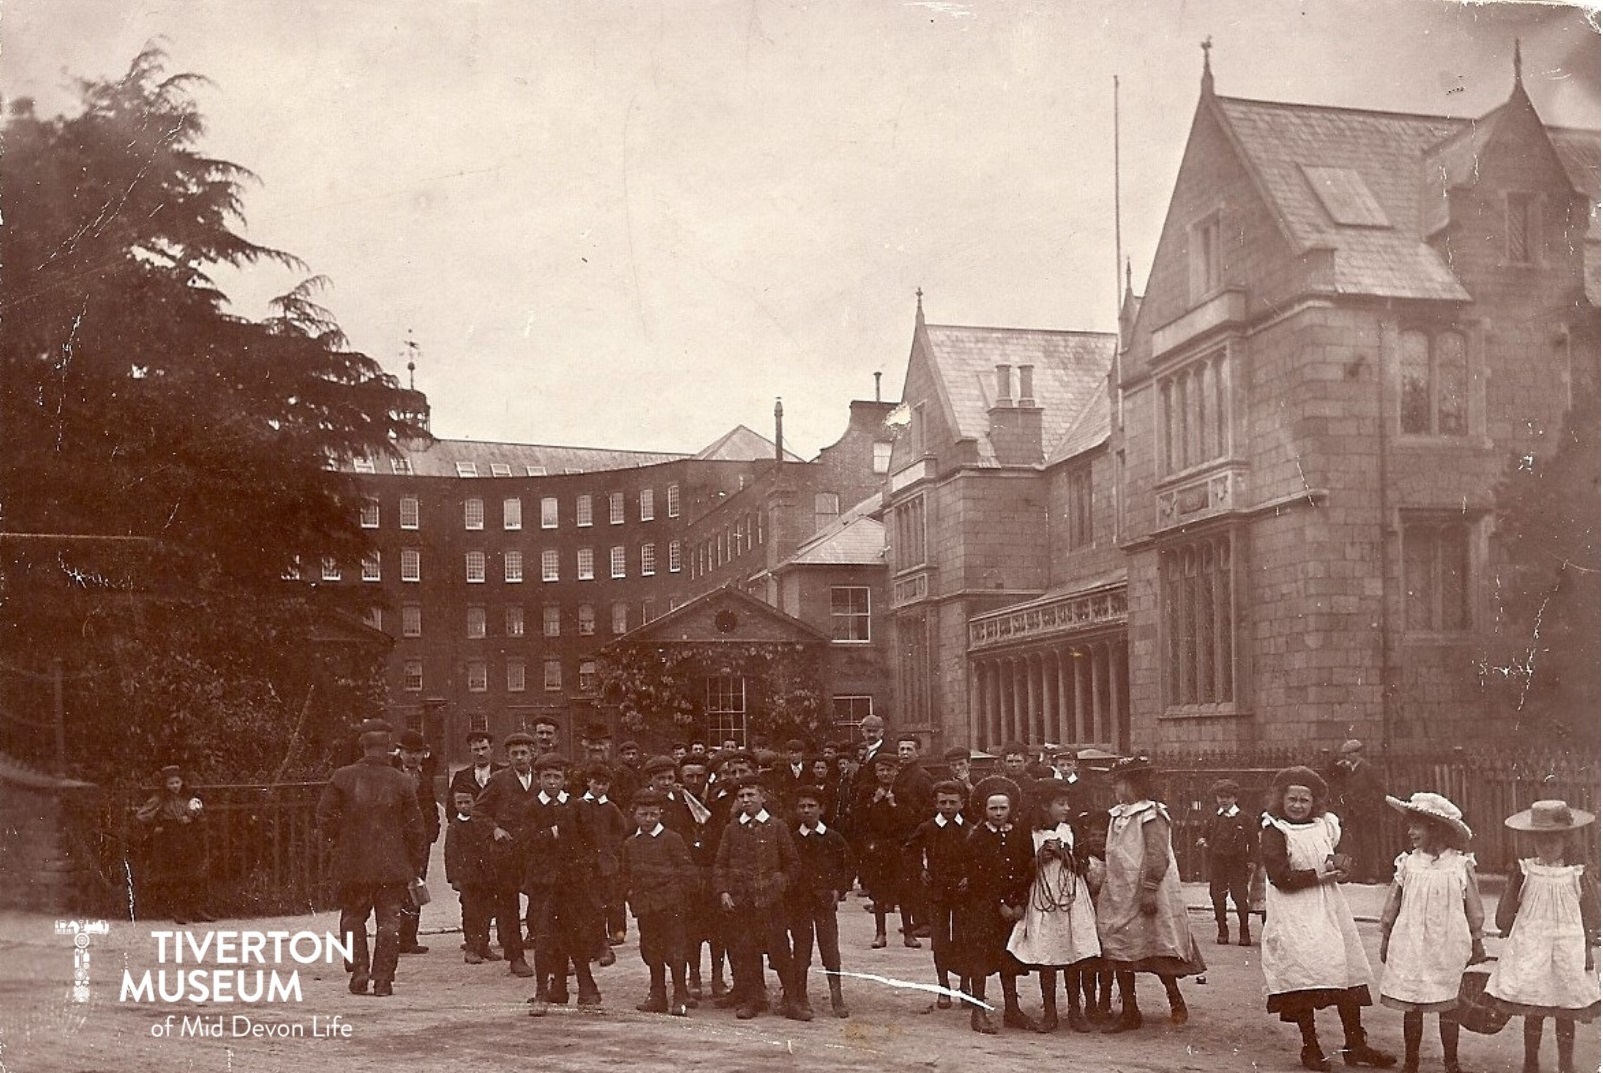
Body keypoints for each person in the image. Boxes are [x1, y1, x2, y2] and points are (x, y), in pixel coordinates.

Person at [1259, 765, 1394, 1071]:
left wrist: (1343, 864)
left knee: (1345, 973)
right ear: (1281, 800)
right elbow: (1279, 876)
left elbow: (1342, 848)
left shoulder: (1325, 825)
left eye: (1304, 800)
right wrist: (1319, 875)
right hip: (1295, 913)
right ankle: (1311, 1047)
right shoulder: (1274, 830)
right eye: (1291, 799)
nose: (1297, 805)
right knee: (1305, 976)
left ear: (1314, 803)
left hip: (1329, 910)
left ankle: (1355, 1044)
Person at [1485, 798, 1600, 1073]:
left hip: (1566, 946)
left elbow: (1593, 912)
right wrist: (1506, 924)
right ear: (1532, 841)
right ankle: (1530, 1061)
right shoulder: (1525, 870)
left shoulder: (1577, 874)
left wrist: (1588, 942)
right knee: (1534, 1005)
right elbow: (1505, 912)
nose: (1546, 846)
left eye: (1553, 840)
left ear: (1565, 839)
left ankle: (1565, 1063)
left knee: (1564, 1007)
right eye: (1540, 840)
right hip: (1533, 945)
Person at [1095, 754, 1205, 1033]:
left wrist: (1150, 888)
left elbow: (1157, 855)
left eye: (1118, 783)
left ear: (1133, 784)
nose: (1115, 789)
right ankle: (1130, 1010)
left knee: (1156, 947)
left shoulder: (1151, 814)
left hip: (1145, 891)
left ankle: (1175, 998)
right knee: (1120, 949)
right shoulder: (1117, 814)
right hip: (1120, 891)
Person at [315, 720, 426, 997]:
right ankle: (384, 979)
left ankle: (359, 971)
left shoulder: (342, 777)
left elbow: (324, 818)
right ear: (388, 747)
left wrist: (340, 845)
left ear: (362, 745)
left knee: (352, 918)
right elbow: (416, 828)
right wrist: (413, 864)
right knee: (389, 921)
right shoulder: (401, 781)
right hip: (392, 867)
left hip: (352, 865)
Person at [1377, 792, 1484, 1073]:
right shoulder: (1408, 863)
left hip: (1447, 943)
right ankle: (1411, 1061)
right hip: (1411, 942)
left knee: (1448, 1002)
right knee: (1413, 1002)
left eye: (1417, 826)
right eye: (1410, 826)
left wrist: (1477, 939)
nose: (1410, 832)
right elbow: (1393, 902)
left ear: (1436, 828)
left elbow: (1473, 905)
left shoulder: (1459, 865)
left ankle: (1451, 1061)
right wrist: (1386, 936)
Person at [1009, 779, 1100, 1034]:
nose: (1066, 808)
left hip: (1071, 899)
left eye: (1068, 803)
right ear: (1044, 806)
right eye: (1061, 804)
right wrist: (1037, 860)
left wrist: (1066, 856)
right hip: (1043, 900)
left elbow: (1084, 867)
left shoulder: (1072, 830)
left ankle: (1075, 1011)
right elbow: (1018, 869)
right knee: (1047, 955)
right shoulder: (1028, 833)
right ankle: (1049, 1012)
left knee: (1072, 954)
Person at [713, 776, 808, 1021]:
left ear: (762, 797)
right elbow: (721, 863)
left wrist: (782, 880)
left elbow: (793, 862)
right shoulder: (732, 828)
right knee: (746, 950)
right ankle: (754, 999)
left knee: (780, 952)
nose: (746, 800)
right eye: (741, 796)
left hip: (770, 901)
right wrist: (723, 891)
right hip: (742, 902)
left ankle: (792, 1000)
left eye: (751, 795)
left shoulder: (777, 826)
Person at [524, 753, 603, 1015]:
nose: (552, 782)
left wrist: (582, 868)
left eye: (557, 777)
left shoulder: (577, 806)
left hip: (572, 883)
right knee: (545, 936)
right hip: (544, 884)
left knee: (576, 934)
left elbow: (591, 841)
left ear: (564, 779)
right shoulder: (531, 807)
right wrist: (552, 833)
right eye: (547, 776)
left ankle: (585, 986)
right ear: (539, 778)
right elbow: (525, 842)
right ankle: (543, 991)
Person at [960, 775, 1036, 1034]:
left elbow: (1027, 869)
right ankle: (978, 1011)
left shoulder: (1019, 834)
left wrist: (1019, 902)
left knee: (1009, 959)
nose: (999, 813)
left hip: (1012, 908)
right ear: (984, 810)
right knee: (981, 959)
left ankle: (1012, 1009)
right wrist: (1000, 903)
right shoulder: (976, 837)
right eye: (993, 808)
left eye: (1003, 808)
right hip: (983, 907)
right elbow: (979, 876)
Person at [620, 788, 695, 1017]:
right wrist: (632, 895)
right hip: (646, 906)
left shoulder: (672, 839)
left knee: (675, 949)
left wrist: (675, 896)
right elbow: (625, 874)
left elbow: (687, 872)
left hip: (670, 906)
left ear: (661, 813)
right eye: (643, 814)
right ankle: (657, 993)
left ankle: (680, 993)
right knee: (650, 950)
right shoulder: (631, 844)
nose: (648, 819)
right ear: (635, 815)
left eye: (653, 814)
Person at [471, 731, 540, 979]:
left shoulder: (543, 779)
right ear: (507, 757)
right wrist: (495, 829)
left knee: (543, 904)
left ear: (533, 754)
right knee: (509, 907)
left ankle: (551, 954)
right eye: (514, 754)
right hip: (507, 854)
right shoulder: (499, 780)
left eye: (524, 753)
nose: (520, 758)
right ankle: (516, 957)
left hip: (536, 852)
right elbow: (479, 812)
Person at [905, 779, 970, 1009]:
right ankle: (943, 987)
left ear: (962, 803)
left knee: (964, 939)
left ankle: (966, 987)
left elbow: (980, 858)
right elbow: (909, 851)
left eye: (953, 802)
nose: (948, 807)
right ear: (935, 803)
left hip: (964, 893)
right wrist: (920, 869)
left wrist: (970, 876)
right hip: (937, 892)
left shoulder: (970, 829)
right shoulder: (927, 828)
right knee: (940, 941)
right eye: (943, 802)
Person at [789, 784, 852, 1018]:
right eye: (802, 807)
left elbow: (847, 865)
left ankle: (837, 995)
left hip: (825, 901)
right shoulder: (792, 838)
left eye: (811, 806)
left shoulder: (833, 838)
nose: (806, 811)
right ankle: (800, 995)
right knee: (802, 948)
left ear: (822, 809)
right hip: (800, 902)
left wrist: (839, 889)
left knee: (829, 948)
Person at [136, 765, 213, 924]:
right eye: (171, 783)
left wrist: (191, 817)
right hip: (170, 838)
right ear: (165, 784)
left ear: (182, 782)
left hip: (187, 837)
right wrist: (158, 824)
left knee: (195, 872)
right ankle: (179, 911)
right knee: (176, 875)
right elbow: (142, 816)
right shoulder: (159, 799)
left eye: (177, 782)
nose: (175, 786)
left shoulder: (188, 797)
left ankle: (197, 910)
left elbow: (199, 814)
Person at [857, 752, 919, 948]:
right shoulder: (867, 792)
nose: (885, 774)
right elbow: (858, 821)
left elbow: (912, 821)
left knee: (905, 893)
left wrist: (894, 804)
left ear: (896, 771)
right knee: (878, 893)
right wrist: (874, 801)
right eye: (881, 770)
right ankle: (880, 933)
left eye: (889, 770)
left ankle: (909, 934)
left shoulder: (904, 793)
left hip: (898, 849)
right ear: (876, 772)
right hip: (877, 849)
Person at [394, 729, 440, 955]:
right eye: (408, 752)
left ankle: (410, 937)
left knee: (416, 886)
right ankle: (394, 936)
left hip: (420, 842)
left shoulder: (424, 778)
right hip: (396, 841)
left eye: (417, 752)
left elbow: (431, 807)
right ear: (399, 752)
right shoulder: (391, 776)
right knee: (394, 888)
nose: (413, 757)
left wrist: (433, 831)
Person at [1198, 777, 1258, 946]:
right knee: (1217, 897)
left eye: (1228, 796)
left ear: (1235, 798)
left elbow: (1254, 842)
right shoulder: (1213, 819)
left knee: (1239, 897)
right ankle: (1222, 931)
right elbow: (1203, 836)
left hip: (1238, 864)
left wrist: (1252, 860)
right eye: (1220, 796)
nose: (1224, 800)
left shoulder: (1244, 819)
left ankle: (1244, 933)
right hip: (1218, 863)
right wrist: (1203, 841)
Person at [444, 788, 501, 963]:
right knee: (470, 912)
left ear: (475, 802)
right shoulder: (454, 827)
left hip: (485, 876)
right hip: (467, 878)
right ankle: (471, 947)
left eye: (467, 802)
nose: (463, 806)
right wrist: (454, 878)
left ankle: (484, 945)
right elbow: (450, 854)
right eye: (459, 803)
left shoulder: (483, 824)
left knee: (487, 912)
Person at [578, 764, 630, 954]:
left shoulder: (610, 807)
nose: (600, 788)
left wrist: (611, 847)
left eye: (605, 785)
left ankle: (617, 930)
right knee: (592, 901)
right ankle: (595, 939)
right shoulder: (579, 805)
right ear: (588, 782)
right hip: (587, 862)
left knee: (613, 896)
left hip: (607, 861)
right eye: (597, 783)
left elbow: (622, 829)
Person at [1332, 740, 1386, 883]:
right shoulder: (1348, 770)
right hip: (1352, 812)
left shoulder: (1367, 768)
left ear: (1358, 753)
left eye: (1349, 754)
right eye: (1345, 754)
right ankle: (1355, 873)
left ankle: (1372, 874)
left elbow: (1380, 790)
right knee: (1353, 843)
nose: (1346, 757)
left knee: (1369, 843)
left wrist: (1369, 805)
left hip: (1366, 813)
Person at [449, 730, 504, 798]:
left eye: (484, 748)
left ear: (491, 749)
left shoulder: (504, 773)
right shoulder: (461, 777)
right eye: (476, 750)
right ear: (470, 751)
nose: (480, 753)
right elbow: (452, 805)